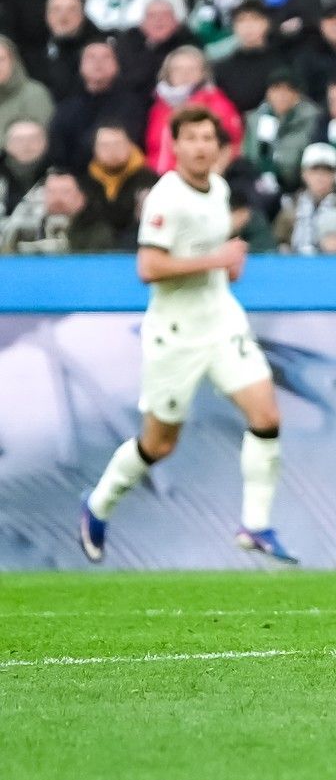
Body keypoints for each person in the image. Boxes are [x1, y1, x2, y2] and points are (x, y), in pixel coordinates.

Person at [79, 105, 295, 564]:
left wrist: (226, 266)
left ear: (219, 147)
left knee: (267, 416)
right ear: (173, 145)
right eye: (191, 138)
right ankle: (98, 504)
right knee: (159, 444)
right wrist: (215, 260)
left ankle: (255, 525)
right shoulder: (165, 198)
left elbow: (210, 254)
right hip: (175, 334)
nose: (200, 146)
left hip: (221, 320)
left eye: (207, 138)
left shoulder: (217, 188)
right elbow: (149, 267)